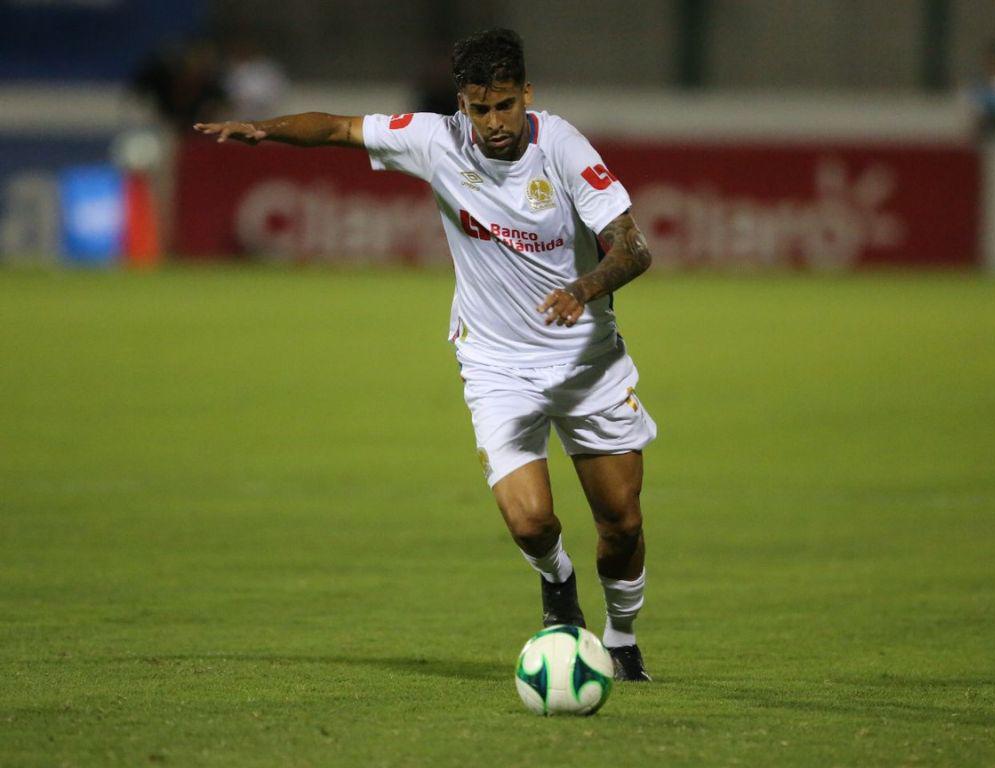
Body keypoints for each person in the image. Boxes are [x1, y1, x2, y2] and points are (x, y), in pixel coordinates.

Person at [194, 28, 657, 682]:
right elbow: (337, 129)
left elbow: (634, 248)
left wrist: (582, 289)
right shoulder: (435, 139)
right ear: (461, 104)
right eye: (478, 108)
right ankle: (558, 585)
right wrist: (264, 129)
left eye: (504, 105)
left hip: (587, 363)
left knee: (622, 524)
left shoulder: (564, 149)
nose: (493, 123)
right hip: (496, 365)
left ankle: (622, 635)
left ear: (526, 94)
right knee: (530, 522)